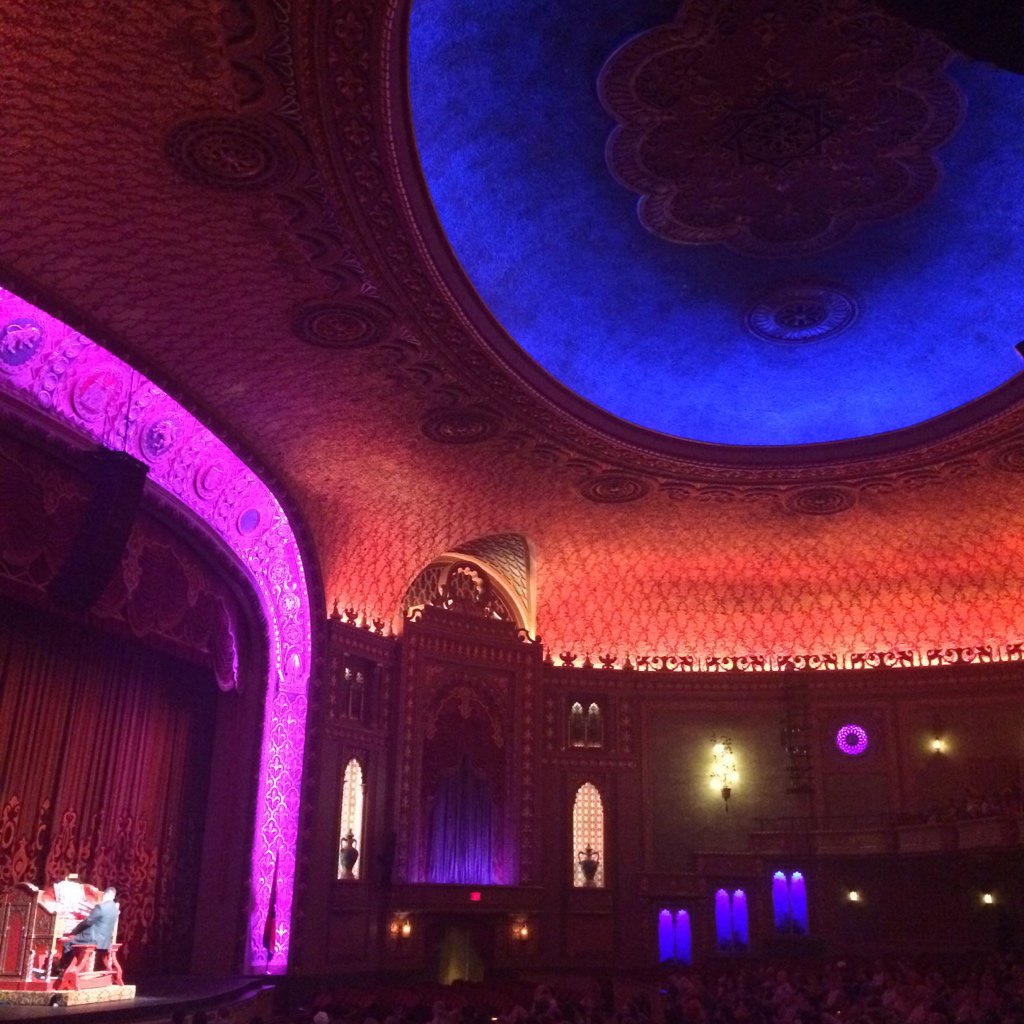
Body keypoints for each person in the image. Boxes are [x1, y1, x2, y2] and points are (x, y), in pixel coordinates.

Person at [59, 887, 120, 972]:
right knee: (74, 940)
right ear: (113, 897)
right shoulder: (115, 910)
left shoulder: (101, 907)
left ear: (104, 895)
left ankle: (63, 970)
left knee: (68, 943)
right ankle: (71, 969)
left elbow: (88, 921)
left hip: (93, 938)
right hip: (105, 940)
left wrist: (74, 931)